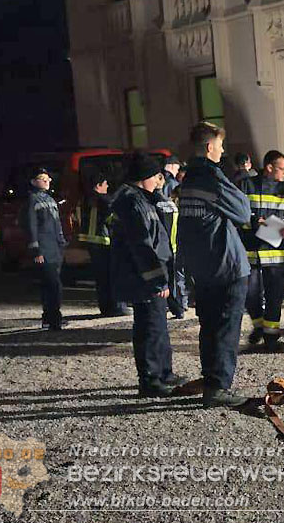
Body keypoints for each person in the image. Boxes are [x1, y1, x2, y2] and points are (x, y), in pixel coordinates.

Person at [178, 122, 253, 407]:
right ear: (209, 147)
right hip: (226, 265)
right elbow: (243, 211)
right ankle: (219, 388)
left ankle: (211, 380)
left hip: (203, 266)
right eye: (220, 145)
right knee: (225, 329)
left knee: (208, 327)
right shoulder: (211, 176)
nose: (222, 151)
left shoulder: (188, 180)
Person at [111, 153, 186, 398]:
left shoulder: (142, 199)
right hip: (145, 277)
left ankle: (164, 372)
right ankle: (151, 379)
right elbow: (142, 245)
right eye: (156, 176)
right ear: (144, 177)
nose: (159, 181)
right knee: (150, 327)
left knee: (158, 325)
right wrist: (157, 278)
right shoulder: (133, 203)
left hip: (151, 274)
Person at [239, 150, 284, 351]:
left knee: (275, 296)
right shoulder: (246, 185)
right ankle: (259, 326)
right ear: (269, 168)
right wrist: (253, 223)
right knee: (250, 294)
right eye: (282, 169)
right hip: (251, 251)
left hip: (276, 252)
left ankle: (271, 337)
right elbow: (236, 214)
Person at [78, 173, 129, 317]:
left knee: (101, 279)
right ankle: (116, 307)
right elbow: (112, 213)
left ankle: (105, 307)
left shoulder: (86, 199)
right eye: (105, 184)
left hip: (92, 242)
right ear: (98, 185)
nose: (107, 187)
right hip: (103, 242)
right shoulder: (102, 200)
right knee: (111, 276)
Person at [23, 167, 67, 330]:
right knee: (53, 285)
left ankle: (49, 317)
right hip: (44, 250)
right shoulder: (32, 201)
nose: (47, 181)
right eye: (43, 178)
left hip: (55, 249)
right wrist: (36, 251)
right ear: (33, 182)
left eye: (48, 178)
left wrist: (62, 243)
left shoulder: (49, 199)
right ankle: (55, 319)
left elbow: (57, 224)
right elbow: (31, 227)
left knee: (50, 285)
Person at [152, 172, 189, 319]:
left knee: (162, 280)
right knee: (176, 280)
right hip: (176, 247)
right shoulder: (172, 206)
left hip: (161, 249)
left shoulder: (154, 204)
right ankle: (179, 307)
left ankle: (169, 308)